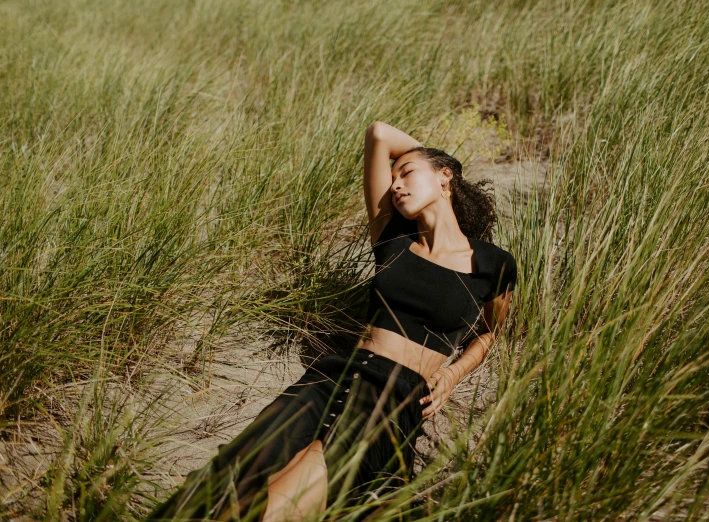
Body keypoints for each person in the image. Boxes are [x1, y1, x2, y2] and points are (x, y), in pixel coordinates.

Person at [145, 121, 517, 521]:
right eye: (392, 178)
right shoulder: (392, 239)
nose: (395, 185)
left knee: (288, 503)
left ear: (446, 179)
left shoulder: (492, 262)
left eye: (406, 173)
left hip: (391, 399)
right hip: (332, 378)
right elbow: (378, 134)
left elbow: (491, 331)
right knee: (235, 474)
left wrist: (454, 374)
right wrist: (424, 165)